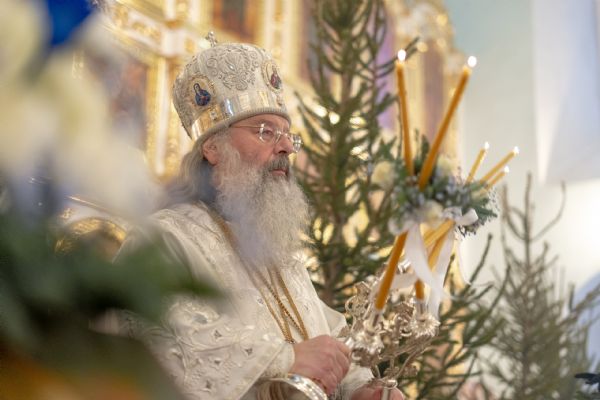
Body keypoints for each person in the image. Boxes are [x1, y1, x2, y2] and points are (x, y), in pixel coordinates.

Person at [116, 37, 404, 400]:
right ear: (213, 147)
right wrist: (286, 359)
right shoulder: (164, 238)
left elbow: (324, 331)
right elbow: (159, 340)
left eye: (288, 135)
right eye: (266, 131)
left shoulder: (277, 252)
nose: (286, 147)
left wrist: (360, 386)